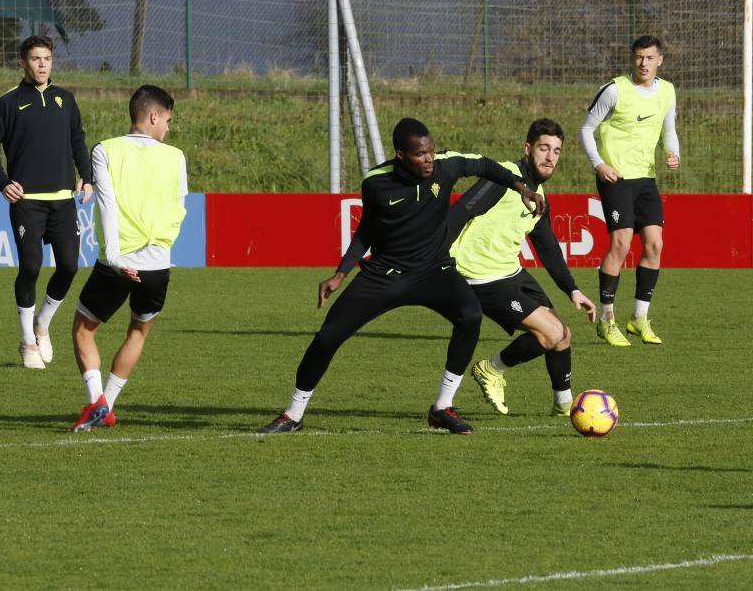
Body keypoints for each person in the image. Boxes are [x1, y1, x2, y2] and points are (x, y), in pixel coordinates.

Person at [258, 117, 545, 435]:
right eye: (421, 154)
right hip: (385, 273)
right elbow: (367, 228)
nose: (429, 159)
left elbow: (485, 165)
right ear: (400, 155)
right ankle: (293, 414)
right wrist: (340, 274)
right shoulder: (376, 182)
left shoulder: (446, 166)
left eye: (432, 151)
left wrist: (522, 187)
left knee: (470, 315)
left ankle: (442, 408)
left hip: (434, 269)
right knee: (328, 337)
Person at [449, 118, 596, 417]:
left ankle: (564, 403)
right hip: (479, 276)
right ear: (528, 148)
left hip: (510, 272)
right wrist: (436, 259)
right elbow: (460, 211)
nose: (550, 156)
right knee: (551, 333)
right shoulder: (503, 178)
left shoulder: (539, 197)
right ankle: (491, 369)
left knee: (562, 334)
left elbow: (549, 249)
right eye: (544, 148)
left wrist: (573, 289)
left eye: (556, 151)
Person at [70, 85, 187, 433]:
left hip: (119, 262)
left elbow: (106, 205)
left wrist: (116, 257)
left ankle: (97, 402)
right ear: (153, 116)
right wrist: (163, 252)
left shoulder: (106, 150)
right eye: (167, 120)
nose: (167, 127)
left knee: (83, 329)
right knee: (138, 330)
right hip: (158, 264)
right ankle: (108, 403)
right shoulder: (176, 156)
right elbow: (179, 207)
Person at [0, 35, 93, 369]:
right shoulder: (8, 102)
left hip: (63, 201)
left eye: (47, 58)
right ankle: (28, 343)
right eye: (35, 58)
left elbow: (78, 141)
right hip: (27, 201)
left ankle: (42, 323)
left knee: (70, 267)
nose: (42, 64)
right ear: (23, 63)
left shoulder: (66, 99)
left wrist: (86, 177)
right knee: (30, 266)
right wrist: (4, 183)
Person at [580, 35, 680, 347]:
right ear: (632, 58)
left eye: (650, 58)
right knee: (620, 244)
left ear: (659, 60)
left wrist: (672, 152)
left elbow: (669, 128)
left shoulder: (667, 91)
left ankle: (639, 318)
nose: (644, 63)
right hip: (616, 177)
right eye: (639, 57)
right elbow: (586, 129)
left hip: (646, 179)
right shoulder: (614, 90)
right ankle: (607, 320)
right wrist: (599, 164)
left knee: (655, 245)